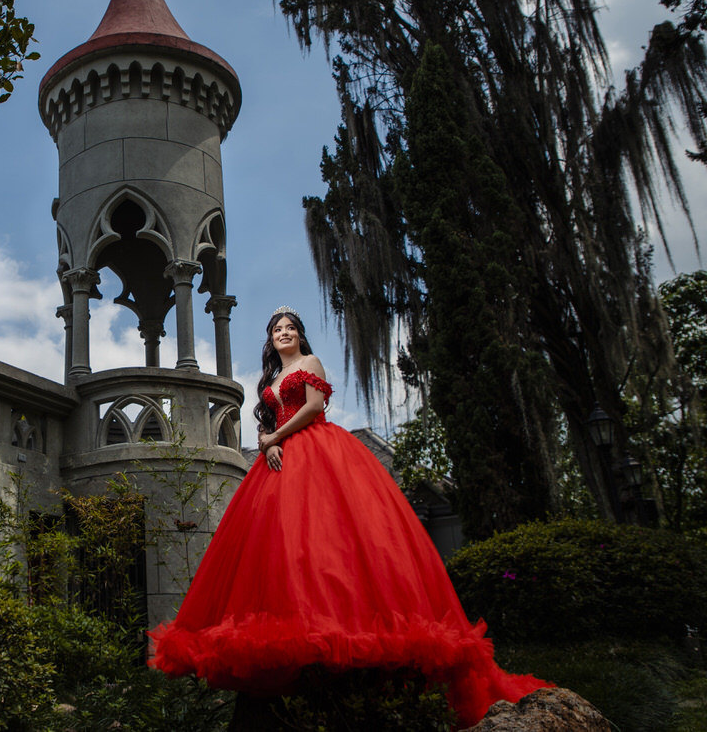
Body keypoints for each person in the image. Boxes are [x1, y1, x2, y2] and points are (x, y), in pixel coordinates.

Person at [148, 306, 549, 728]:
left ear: (300, 337)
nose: (284, 333)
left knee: (332, 539)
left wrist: (275, 437)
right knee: (283, 550)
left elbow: (313, 408)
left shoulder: (309, 364)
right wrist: (266, 446)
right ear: (271, 341)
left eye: (291, 328)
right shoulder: (270, 380)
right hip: (279, 462)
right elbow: (271, 421)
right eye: (277, 330)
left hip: (318, 451)